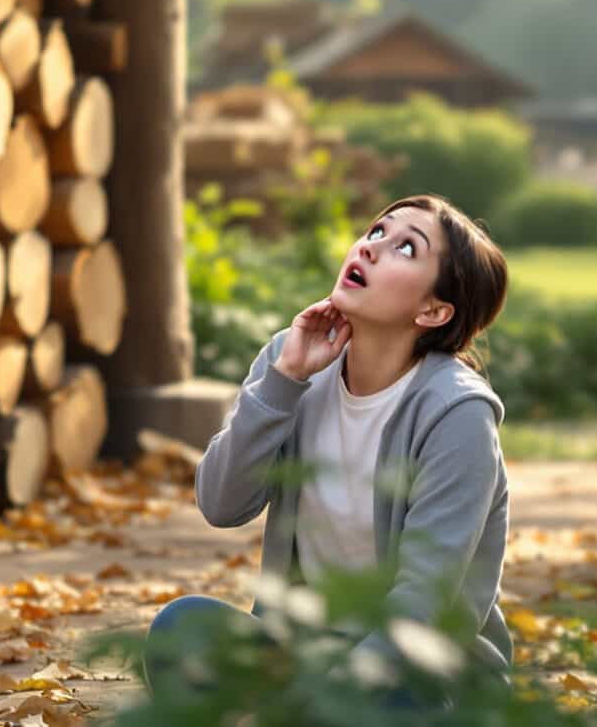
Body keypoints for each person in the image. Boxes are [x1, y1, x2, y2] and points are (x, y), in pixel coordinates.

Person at [147, 193, 514, 695]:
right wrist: (283, 382)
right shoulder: (291, 359)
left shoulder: (457, 414)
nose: (370, 247)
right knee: (182, 627)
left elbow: (421, 607)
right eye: (377, 231)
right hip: (304, 657)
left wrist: (321, 698)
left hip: (419, 672)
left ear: (433, 310)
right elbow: (220, 503)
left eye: (407, 248)